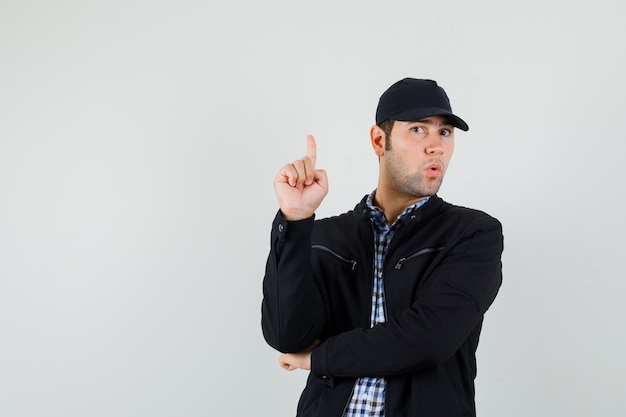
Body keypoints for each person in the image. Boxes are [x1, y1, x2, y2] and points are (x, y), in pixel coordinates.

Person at [261, 78, 503, 417]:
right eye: (419, 130)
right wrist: (296, 220)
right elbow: (287, 335)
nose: (436, 146)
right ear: (379, 140)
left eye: (445, 132)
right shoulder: (325, 237)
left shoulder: (473, 234)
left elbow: (428, 338)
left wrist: (320, 358)